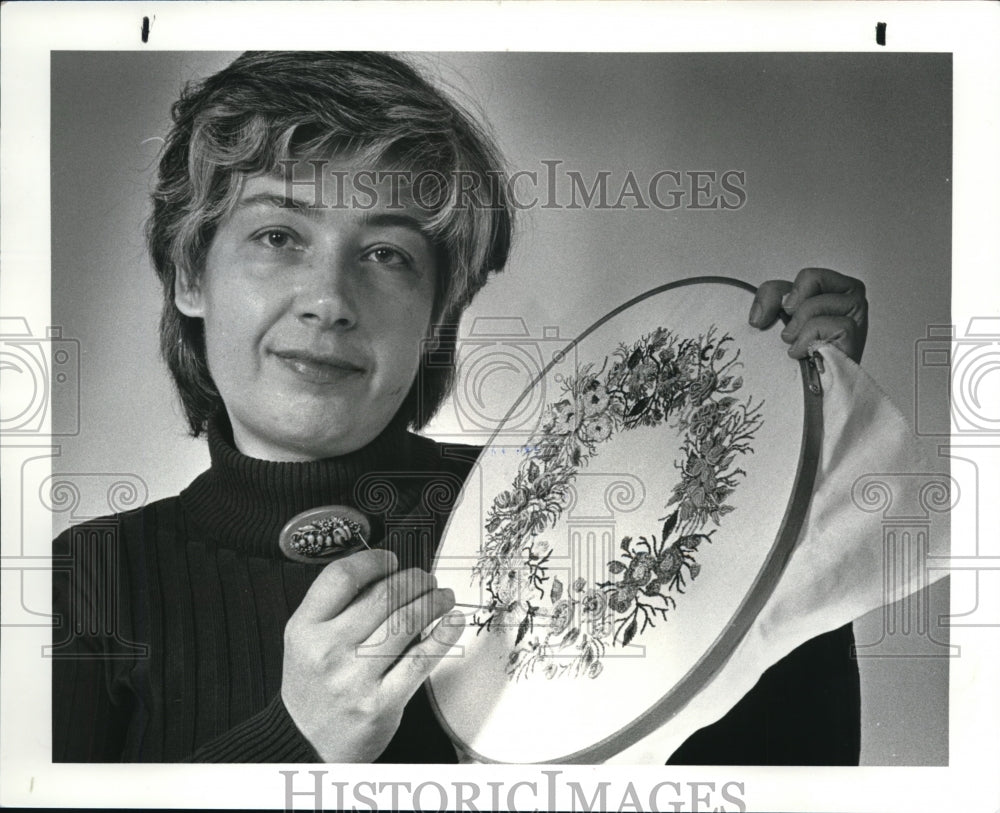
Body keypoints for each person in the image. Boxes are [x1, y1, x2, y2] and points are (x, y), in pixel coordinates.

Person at [52, 51, 869, 764]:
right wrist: (297, 739)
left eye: (386, 253)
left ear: (438, 314)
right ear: (191, 276)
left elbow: (785, 768)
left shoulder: (561, 502)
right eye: (278, 236)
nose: (330, 299)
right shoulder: (86, 582)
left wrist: (798, 455)